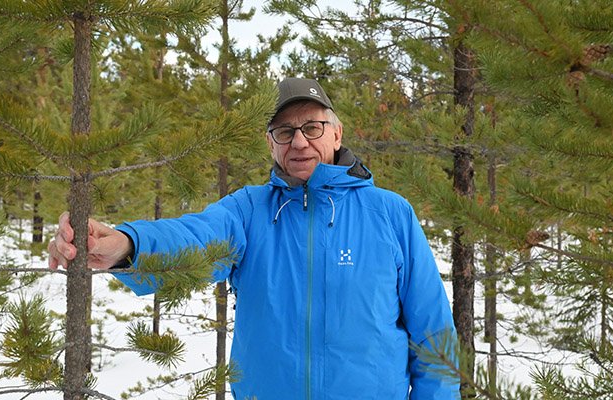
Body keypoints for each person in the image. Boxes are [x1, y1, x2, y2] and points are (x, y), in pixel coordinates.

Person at [48, 78, 459, 399]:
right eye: (285, 131)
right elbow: (196, 236)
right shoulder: (249, 210)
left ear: (336, 134)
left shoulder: (390, 214)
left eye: (312, 127)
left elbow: (434, 335)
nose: (299, 141)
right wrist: (127, 245)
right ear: (270, 143)